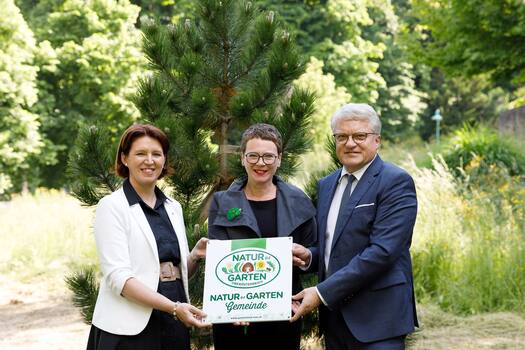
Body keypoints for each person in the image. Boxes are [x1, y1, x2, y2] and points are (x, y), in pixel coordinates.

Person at [290, 103, 418, 349]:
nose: (350, 143)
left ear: (377, 140)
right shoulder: (327, 185)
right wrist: (309, 257)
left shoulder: (395, 182)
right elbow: (333, 246)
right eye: (342, 136)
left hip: (378, 319)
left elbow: (382, 252)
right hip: (335, 319)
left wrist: (320, 293)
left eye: (360, 136)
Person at [87, 124, 210, 350]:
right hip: (129, 329)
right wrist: (173, 307)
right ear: (124, 158)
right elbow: (119, 279)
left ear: (164, 160)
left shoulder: (173, 207)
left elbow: (169, 272)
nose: (149, 160)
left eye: (157, 154)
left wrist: (194, 256)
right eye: (140, 153)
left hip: (174, 323)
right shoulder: (112, 206)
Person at [207, 123, 317, 350]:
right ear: (242, 158)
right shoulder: (222, 202)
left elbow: (316, 252)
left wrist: (306, 255)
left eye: (268, 156)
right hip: (234, 317)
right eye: (253, 156)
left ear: (279, 159)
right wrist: (237, 306)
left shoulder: (299, 202)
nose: (260, 163)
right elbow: (217, 259)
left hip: (284, 314)